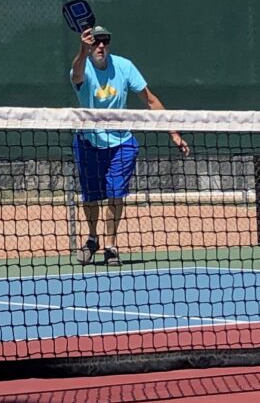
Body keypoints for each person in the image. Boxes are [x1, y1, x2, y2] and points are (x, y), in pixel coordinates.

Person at [70, 24, 189, 266]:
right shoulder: (83, 67)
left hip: (121, 143)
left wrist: (174, 133)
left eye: (105, 41)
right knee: (91, 197)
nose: (101, 45)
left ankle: (111, 246)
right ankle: (93, 238)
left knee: (115, 194)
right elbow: (77, 73)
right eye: (96, 41)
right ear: (89, 44)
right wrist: (82, 50)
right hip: (88, 142)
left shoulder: (124, 66)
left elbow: (151, 100)